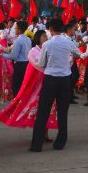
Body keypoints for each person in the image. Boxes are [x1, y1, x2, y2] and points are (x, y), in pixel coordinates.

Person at [30, 18, 81, 152]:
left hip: (51, 78)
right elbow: (78, 54)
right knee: (63, 111)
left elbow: (41, 64)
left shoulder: (47, 44)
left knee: (43, 111)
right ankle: (60, 142)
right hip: (65, 79)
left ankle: (37, 144)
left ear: (51, 30)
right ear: (63, 29)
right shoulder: (68, 42)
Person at [0, 29, 57, 133]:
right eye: (43, 36)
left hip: (46, 82)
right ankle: (40, 131)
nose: (46, 38)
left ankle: (44, 132)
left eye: (46, 36)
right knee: (34, 105)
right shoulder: (33, 51)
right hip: (36, 84)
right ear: (38, 38)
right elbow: (39, 65)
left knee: (47, 106)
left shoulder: (47, 49)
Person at [4, 21, 32, 98]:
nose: (15, 30)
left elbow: (13, 56)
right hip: (27, 64)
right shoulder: (28, 39)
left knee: (16, 86)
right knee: (24, 85)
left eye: (15, 28)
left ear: (19, 30)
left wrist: (2, 55)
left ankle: (17, 104)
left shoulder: (18, 40)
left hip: (20, 65)